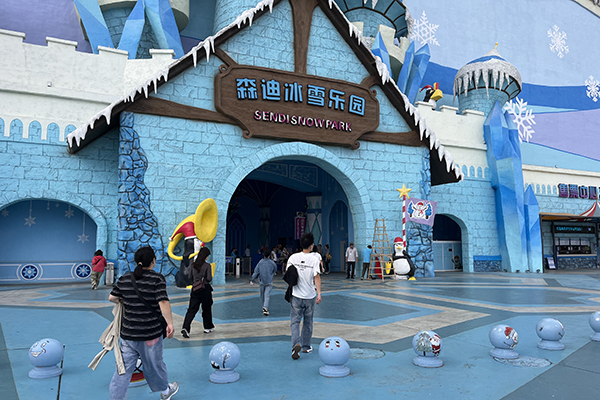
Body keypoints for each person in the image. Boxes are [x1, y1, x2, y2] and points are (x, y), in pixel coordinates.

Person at [108, 247, 178, 400]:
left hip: (128, 335)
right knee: (155, 365)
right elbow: (163, 301)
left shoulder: (125, 278)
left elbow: (112, 297)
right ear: (153, 261)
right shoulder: (157, 279)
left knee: (123, 369)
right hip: (150, 334)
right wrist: (170, 323)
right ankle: (165, 391)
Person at [286, 232, 322, 359]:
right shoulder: (314, 259)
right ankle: (306, 346)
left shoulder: (293, 258)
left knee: (295, 322)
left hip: (296, 295)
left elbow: (288, 273)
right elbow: (316, 277)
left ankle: (295, 344)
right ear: (311, 245)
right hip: (309, 296)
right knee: (308, 321)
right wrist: (319, 293)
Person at [181, 247, 215, 337]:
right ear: (205, 256)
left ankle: (185, 327)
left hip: (195, 289)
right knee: (206, 308)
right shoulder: (207, 266)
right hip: (205, 289)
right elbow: (209, 279)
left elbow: (189, 277)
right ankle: (207, 327)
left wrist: (196, 281)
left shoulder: (193, 265)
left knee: (191, 309)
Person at [250, 247, 277, 316]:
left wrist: (252, 279)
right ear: (269, 255)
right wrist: (272, 274)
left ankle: (263, 306)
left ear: (263, 254)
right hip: (269, 281)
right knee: (267, 295)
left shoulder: (260, 262)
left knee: (262, 295)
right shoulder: (272, 263)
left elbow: (256, 272)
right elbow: (275, 269)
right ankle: (265, 307)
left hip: (262, 281)